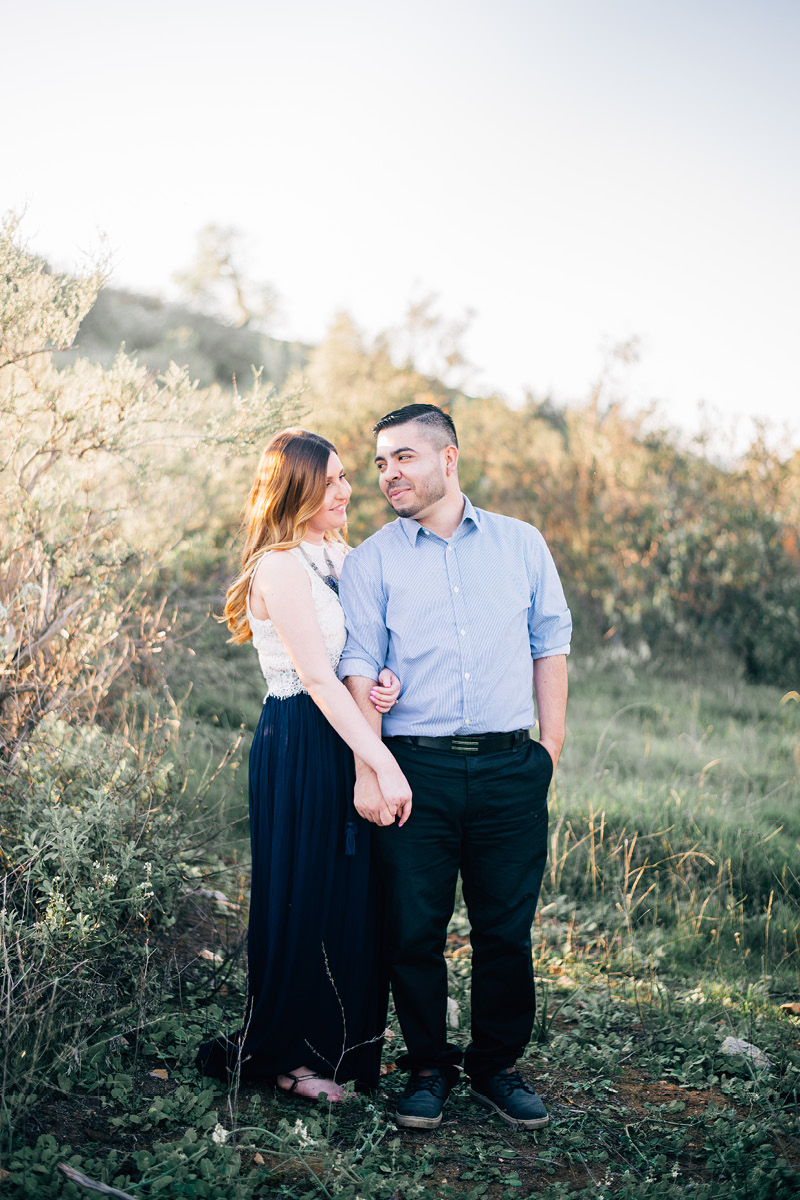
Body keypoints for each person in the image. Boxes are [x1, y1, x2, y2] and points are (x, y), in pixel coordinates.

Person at [337, 403, 571, 1130]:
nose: (388, 474)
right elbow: (357, 667)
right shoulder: (371, 558)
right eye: (380, 462)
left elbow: (550, 643)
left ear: (449, 458)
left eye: (402, 457)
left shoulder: (521, 544)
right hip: (416, 770)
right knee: (413, 930)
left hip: (510, 767)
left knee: (506, 930)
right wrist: (370, 770)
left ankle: (497, 1066)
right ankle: (428, 1067)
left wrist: (549, 751)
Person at [196, 428, 412, 1102]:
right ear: (298, 489)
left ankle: (342, 1047)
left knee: (354, 891)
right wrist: (380, 763)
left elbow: (351, 660)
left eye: (349, 477)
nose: (349, 489)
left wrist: (383, 687)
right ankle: (289, 1059)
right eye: (334, 480)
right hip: (299, 734)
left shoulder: (338, 554)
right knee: (304, 888)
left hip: (346, 728)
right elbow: (316, 679)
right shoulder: (280, 566)